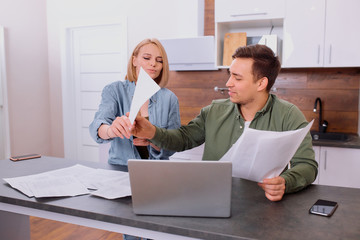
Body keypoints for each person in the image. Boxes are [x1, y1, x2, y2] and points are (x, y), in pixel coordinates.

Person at [118, 44, 318, 202]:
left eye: (237, 78)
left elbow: (307, 165)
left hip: (264, 205)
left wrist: (285, 182)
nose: (228, 83)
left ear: (261, 83)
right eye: (229, 75)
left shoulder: (289, 115)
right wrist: (151, 131)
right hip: (214, 201)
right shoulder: (214, 110)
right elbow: (183, 139)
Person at [89, 38, 181, 166]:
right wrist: (111, 130)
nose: (153, 63)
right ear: (134, 61)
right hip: (120, 168)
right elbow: (97, 127)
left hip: (157, 170)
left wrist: (153, 139)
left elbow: (175, 143)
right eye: (147, 58)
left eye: (159, 60)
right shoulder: (114, 90)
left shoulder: (169, 98)